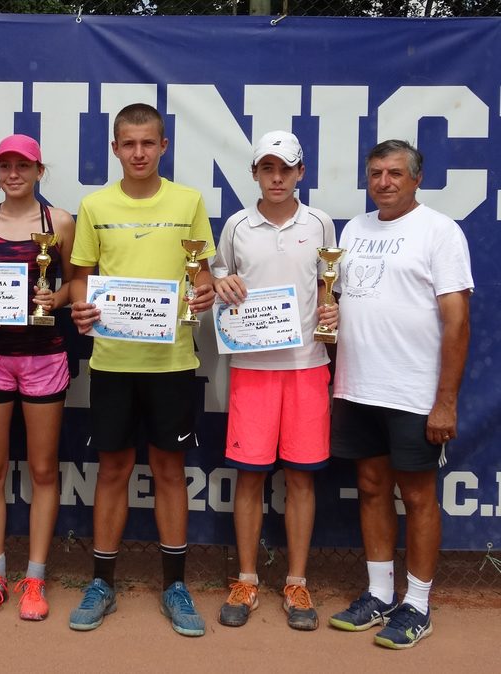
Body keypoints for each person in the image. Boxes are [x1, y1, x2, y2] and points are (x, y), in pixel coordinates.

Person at [67, 103, 215, 635]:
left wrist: (203, 295)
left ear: (163, 146)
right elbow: (81, 276)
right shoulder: (94, 205)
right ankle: (102, 583)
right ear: (114, 148)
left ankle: (175, 585)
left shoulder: (189, 201)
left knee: (170, 471)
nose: (138, 153)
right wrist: (81, 306)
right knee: (113, 470)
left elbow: (201, 274)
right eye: (128, 143)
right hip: (113, 361)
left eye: (148, 143)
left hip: (172, 361)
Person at [328, 139, 473, 649]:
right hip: (357, 386)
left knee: (416, 495)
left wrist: (446, 400)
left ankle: (418, 604)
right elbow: (346, 299)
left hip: (413, 392)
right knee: (371, 487)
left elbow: (457, 321)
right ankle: (379, 593)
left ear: (416, 178)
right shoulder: (355, 229)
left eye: (394, 173)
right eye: (375, 173)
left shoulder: (440, 231)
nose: (383, 182)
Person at [211, 131, 338, 631]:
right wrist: (220, 282)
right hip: (252, 370)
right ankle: (246, 580)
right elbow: (216, 278)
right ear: (255, 174)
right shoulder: (237, 226)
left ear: (301, 172)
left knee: (301, 478)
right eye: (268, 168)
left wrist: (332, 309)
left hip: (307, 367)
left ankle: (296, 583)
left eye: (286, 168)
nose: (277, 178)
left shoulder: (320, 223)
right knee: (250, 476)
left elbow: (330, 285)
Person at [0, 135, 76, 621]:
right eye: (5, 165)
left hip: (44, 357)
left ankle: (35, 578)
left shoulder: (60, 222)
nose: (13, 174)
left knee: (43, 470)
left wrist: (58, 299)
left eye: (23, 166)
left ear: (38, 171)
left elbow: (76, 281)